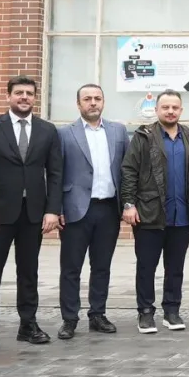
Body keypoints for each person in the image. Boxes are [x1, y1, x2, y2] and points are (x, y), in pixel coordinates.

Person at [0, 76, 63, 352]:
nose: (24, 97)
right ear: (8, 96)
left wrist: (52, 210)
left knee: (28, 272)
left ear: (35, 97)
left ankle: (28, 325)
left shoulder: (48, 130)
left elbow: (55, 174)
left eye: (29, 93)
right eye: (19, 92)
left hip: (33, 214)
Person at [121, 89, 189, 334]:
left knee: (175, 268)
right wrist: (128, 203)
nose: (170, 111)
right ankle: (146, 312)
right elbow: (129, 170)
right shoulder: (143, 137)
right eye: (165, 107)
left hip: (181, 215)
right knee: (147, 267)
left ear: (181, 110)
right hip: (149, 213)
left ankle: (172, 311)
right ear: (156, 110)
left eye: (175, 107)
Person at [56, 83, 129, 340]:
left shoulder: (119, 131)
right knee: (71, 268)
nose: (93, 103)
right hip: (75, 210)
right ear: (78, 104)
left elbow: (127, 171)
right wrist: (56, 209)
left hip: (108, 209)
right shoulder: (64, 134)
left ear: (103, 102)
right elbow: (55, 174)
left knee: (102, 266)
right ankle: (69, 319)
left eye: (97, 98)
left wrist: (128, 204)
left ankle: (98, 314)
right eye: (87, 99)